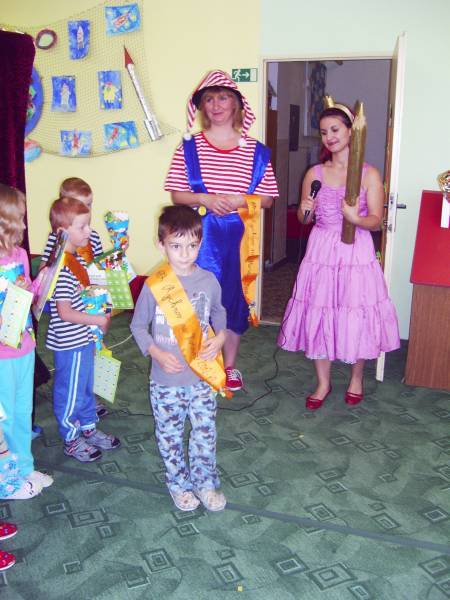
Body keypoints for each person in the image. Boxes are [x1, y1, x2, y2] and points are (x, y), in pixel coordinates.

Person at [278, 102, 400, 409]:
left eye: (335, 130)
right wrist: (305, 210)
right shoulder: (315, 173)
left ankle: (356, 378)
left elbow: (376, 220)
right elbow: (305, 219)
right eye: (323, 132)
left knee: (354, 310)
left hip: (356, 250)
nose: (329, 137)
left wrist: (356, 218)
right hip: (321, 249)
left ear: (351, 131)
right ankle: (323, 382)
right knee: (321, 310)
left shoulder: (369, 174)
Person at [165, 70, 279, 392]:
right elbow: (177, 195)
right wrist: (205, 198)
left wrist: (240, 200)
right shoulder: (189, 147)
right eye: (209, 99)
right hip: (196, 238)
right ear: (201, 106)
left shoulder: (256, 151)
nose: (216, 105)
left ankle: (228, 367)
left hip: (237, 240)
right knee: (194, 297)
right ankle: (193, 360)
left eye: (223, 98)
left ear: (237, 104)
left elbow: (268, 199)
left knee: (231, 300)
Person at [131, 205, 227, 512]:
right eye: (176, 246)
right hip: (165, 380)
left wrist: (220, 338)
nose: (185, 254)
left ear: (200, 243)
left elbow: (220, 313)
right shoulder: (155, 285)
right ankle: (178, 485)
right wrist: (156, 353)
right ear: (161, 245)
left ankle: (205, 482)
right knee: (170, 436)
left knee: (205, 432)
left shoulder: (208, 281)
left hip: (201, 375)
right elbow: (137, 326)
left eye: (192, 245)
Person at [46, 196, 121, 462]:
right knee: (70, 392)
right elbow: (64, 312)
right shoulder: (62, 267)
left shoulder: (75, 259)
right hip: (71, 343)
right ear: (63, 231)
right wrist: (97, 321)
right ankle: (71, 438)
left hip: (84, 338)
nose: (89, 231)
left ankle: (88, 426)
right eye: (82, 226)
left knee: (86, 387)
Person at [0, 183, 53, 497]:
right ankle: (6, 481)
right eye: (19, 218)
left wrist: (39, 283)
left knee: (22, 412)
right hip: (2, 355)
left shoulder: (19, 254)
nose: (23, 224)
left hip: (24, 345)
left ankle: (23, 467)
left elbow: (29, 297)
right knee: (4, 418)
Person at [40, 178, 108, 420]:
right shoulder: (59, 246)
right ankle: (74, 419)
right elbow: (48, 273)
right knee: (73, 369)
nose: (86, 210)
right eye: (80, 205)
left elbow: (100, 266)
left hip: (89, 306)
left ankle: (88, 404)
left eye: (89, 205)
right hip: (71, 316)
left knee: (88, 363)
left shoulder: (92, 236)